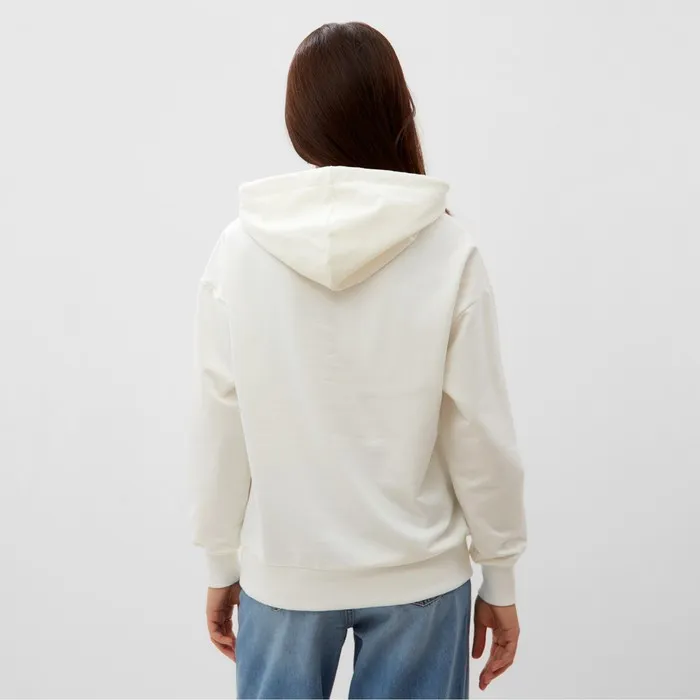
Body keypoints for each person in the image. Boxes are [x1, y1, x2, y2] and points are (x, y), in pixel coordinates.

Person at [190, 21, 526, 700]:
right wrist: (499, 573)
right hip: (420, 574)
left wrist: (223, 560)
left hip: (286, 572)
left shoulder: (240, 250)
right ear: (395, 109)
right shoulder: (447, 249)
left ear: (300, 121)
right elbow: (479, 428)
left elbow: (220, 420)